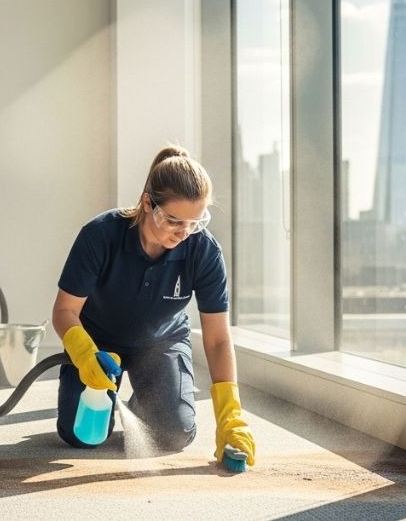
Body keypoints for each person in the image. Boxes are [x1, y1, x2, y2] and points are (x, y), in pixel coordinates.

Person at [52, 146, 256, 465]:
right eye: (174, 220)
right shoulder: (100, 235)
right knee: (79, 436)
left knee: (175, 433)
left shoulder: (204, 252)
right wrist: (84, 354)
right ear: (148, 203)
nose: (185, 232)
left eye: (195, 222)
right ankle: (113, 392)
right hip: (98, 346)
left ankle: (143, 404)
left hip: (161, 342)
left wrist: (230, 416)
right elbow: (64, 311)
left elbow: (217, 339)